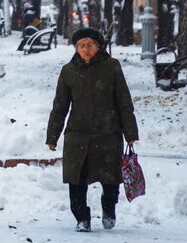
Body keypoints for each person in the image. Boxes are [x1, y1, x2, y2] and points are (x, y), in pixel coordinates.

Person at [46, 28, 140, 232]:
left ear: (98, 46)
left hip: (108, 133)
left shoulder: (112, 67)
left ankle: (109, 210)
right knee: (76, 179)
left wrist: (130, 133)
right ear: (76, 48)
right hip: (78, 136)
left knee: (110, 178)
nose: (86, 49)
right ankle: (82, 218)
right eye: (81, 46)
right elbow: (60, 106)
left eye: (89, 45)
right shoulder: (68, 71)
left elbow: (124, 101)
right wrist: (52, 136)